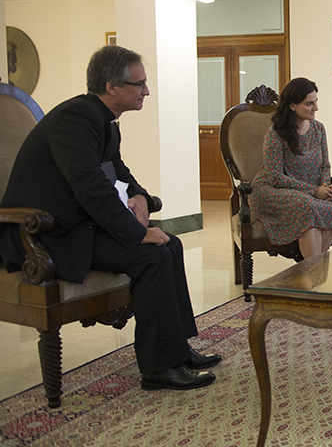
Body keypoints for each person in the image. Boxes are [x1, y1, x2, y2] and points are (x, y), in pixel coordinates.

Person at [0, 45, 221, 391]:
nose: (146, 91)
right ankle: (159, 368)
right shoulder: (77, 118)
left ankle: (177, 350)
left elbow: (118, 172)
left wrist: (141, 197)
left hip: (76, 226)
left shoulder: (103, 120)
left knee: (172, 244)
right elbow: (88, 185)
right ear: (111, 86)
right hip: (45, 235)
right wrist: (136, 233)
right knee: (152, 254)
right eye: (140, 84)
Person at [249, 77, 332, 260]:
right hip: (271, 191)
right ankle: (313, 276)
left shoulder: (319, 129)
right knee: (307, 207)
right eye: (309, 103)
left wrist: (326, 188)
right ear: (292, 105)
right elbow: (275, 178)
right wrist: (315, 191)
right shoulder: (275, 134)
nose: (316, 108)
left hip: (308, 193)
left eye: (316, 102)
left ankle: (311, 277)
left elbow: (325, 165)